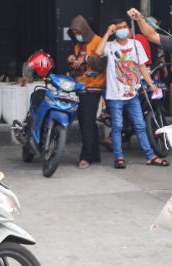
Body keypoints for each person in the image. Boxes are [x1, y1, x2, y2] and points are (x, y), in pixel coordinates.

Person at [95, 18, 170, 169]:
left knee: (141, 126)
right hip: (115, 96)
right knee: (117, 126)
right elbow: (98, 52)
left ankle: (150, 156)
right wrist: (107, 33)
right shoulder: (110, 46)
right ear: (114, 31)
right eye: (118, 28)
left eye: (124, 27)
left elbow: (142, 67)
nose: (122, 30)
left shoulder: (136, 44)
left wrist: (151, 84)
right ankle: (119, 157)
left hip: (133, 94)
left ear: (129, 28)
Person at [67, 16, 107, 169]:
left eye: (78, 31)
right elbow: (80, 69)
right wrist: (73, 61)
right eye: (74, 32)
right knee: (87, 122)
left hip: (93, 88)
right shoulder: (79, 46)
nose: (77, 34)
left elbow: (102, 65)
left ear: (85, 30)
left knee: (86, 122)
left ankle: (86, 157)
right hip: (81, 87)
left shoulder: (98, 41)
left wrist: (87, 58)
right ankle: (94, 156)